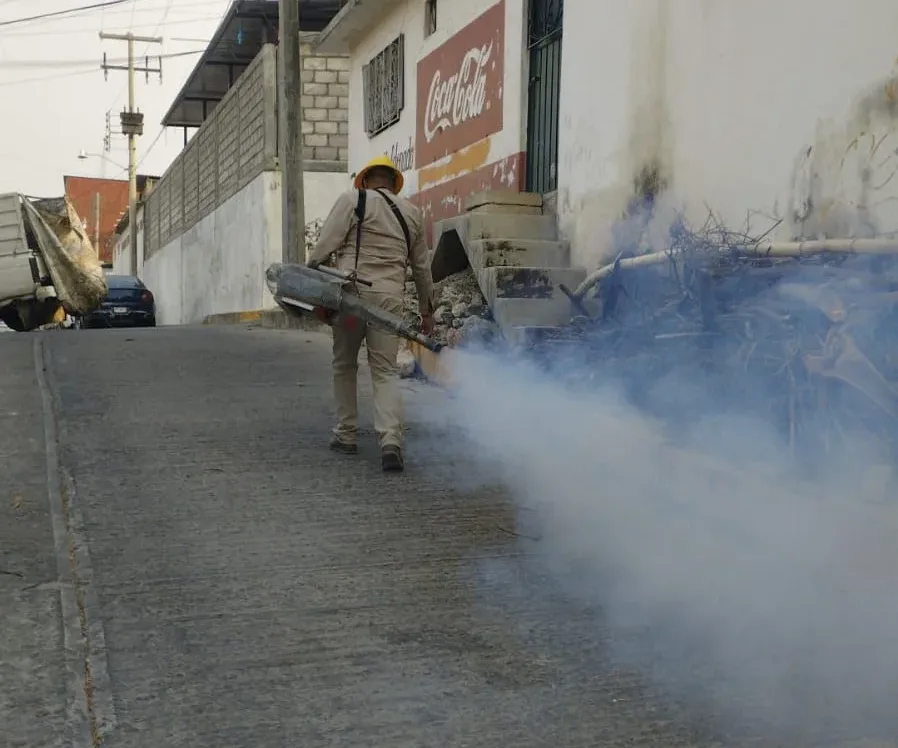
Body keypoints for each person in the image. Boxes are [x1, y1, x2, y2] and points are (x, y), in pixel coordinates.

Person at [307, 155, 435, 472]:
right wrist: (426, 311)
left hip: (352, 298)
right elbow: (422, 269)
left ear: (365, 180)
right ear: (394, 183)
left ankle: (346, 435)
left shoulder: (353, 199)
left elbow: (324, 246)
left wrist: (310, 280)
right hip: (389, 300)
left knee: (345, 364)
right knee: (385, 371)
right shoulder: (413, 214)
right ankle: (391, 442)